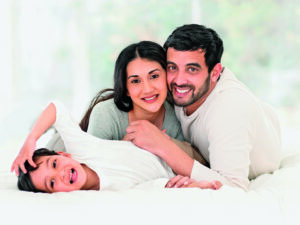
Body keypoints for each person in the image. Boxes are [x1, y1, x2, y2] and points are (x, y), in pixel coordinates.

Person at [124, 24, 281, 191]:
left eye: (192, 69)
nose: (179, 80)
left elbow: (234, 187)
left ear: (214, 73)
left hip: (260, 147)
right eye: (172, 67)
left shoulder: (230, 109)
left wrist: (164, 146)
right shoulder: (176, 88)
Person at [47, 40, 207, 168]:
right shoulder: (105, 114)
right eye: (136, 81)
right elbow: (90, 165)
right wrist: (125, 149)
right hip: (62, 150)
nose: (148, 89)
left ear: (167, 76)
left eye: (154, 76)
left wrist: (162, 142)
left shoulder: (177, 115)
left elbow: (193, 164)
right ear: (126, 89)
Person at [11, 101, 221, 193]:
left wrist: (31, 139)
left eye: (55, 164)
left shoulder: (81, 150)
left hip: (162, 144)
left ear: (64, 155)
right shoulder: (110, 192)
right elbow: (158, 187)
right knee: (206, 179)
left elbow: (57, 108)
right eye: (52, 183)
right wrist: (195, 186)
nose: (61, 174)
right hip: (168, 168)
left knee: (212, 166)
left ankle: (48, 136)